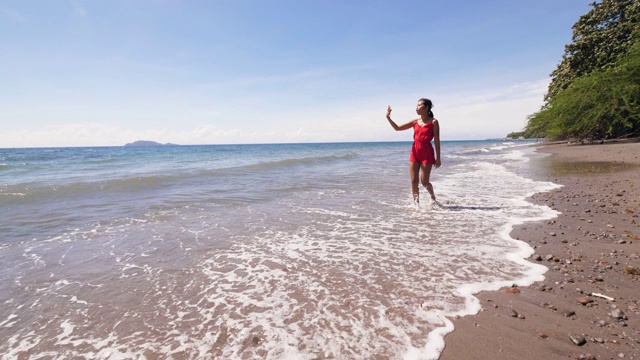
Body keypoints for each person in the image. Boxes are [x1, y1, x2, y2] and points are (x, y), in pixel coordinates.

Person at [385, 98, 441, 204]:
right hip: (414, 153)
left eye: (419, 105)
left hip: (427, 154)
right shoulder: (415, 122)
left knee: (424, 182)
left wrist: (438, 158)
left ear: (426, 108)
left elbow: (437, 141)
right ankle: (416, 204)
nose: (416, 107)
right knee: (414, 181)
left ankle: (433, 198)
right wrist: (388, 118)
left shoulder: (434, 122)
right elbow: (397, 128)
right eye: (417, 105)